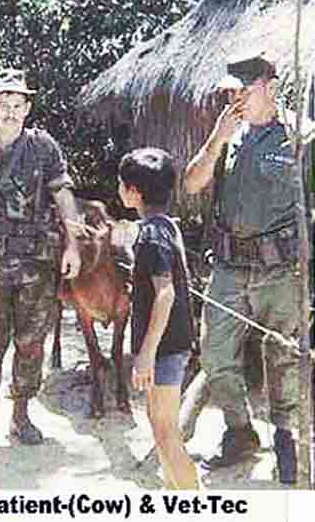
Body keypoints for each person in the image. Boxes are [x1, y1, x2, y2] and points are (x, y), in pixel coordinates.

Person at [0, 67, 81, 458]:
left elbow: (63, 195)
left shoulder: (43, 148)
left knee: (31, 342)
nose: (10, 111)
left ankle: (21, 415)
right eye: (3, 104)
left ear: (27, 108)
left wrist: (72, 245)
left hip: (36, 263)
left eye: (17, 104)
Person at [184, 51, 301, 483]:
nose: (234, 100)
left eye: (243, 90)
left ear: (269, 86)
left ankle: (285, 436)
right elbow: (192, 183)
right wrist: (217, 139)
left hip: (281, 270)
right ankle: (240, 431)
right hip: (230, 268)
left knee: (282, 356)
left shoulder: (301, 137)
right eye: (229, 92)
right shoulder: (228, 136)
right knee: (215, 354)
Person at [117, 147, 200, 490]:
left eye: (122, 184)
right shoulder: (164, 226)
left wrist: (146, 354)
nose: (118, 190)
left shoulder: (151, 235)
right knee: (159, 425)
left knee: (165, 433)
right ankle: (173, 491)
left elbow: (165, 294)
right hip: (171, 343)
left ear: (134, 191)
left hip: (164, 348)